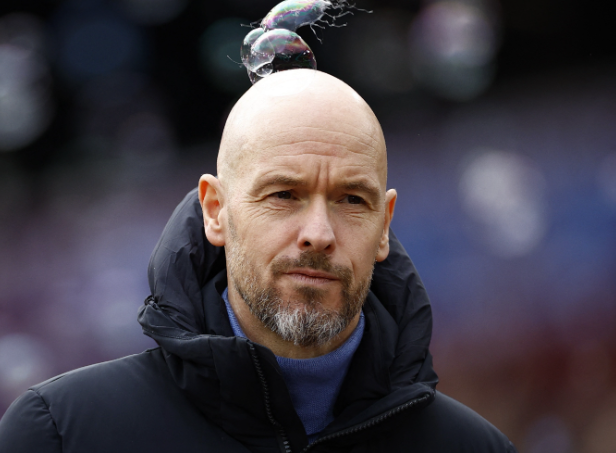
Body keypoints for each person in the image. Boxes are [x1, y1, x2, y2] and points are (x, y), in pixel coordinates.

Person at [0, 69, 517, 452]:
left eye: (351, 200)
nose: (318, 235)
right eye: (284, 195)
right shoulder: (63, 434)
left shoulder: (474, 449)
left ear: (384, 225)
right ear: (215, 211)